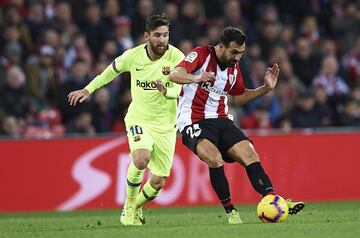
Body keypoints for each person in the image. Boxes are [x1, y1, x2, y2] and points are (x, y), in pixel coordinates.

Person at [170, 26, 304, 224]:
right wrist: (197, 78)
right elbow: (175, 74)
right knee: (214, 158)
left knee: (250, 154)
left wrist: (266, 88)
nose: (237, 57)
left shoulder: (233, 68)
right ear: (221, 46)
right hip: (193, 120)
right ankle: (231, 212)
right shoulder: (200, 54)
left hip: (221, 119)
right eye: (234, 52)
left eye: (241, 53)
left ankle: (273, 199)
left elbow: (240, 98)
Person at [68, 14, 184, 226]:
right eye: (157, 35)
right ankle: (129, 206)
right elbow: (109, 73)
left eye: (166, 35)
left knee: (158, 182)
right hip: (139, 118)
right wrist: (87, 89)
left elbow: (180, 87)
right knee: (141, 159)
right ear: (146, 36)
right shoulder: (132, 56)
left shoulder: (177, 57)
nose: (162, 40)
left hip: (166, 125)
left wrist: (167, 91)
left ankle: (135, 206)